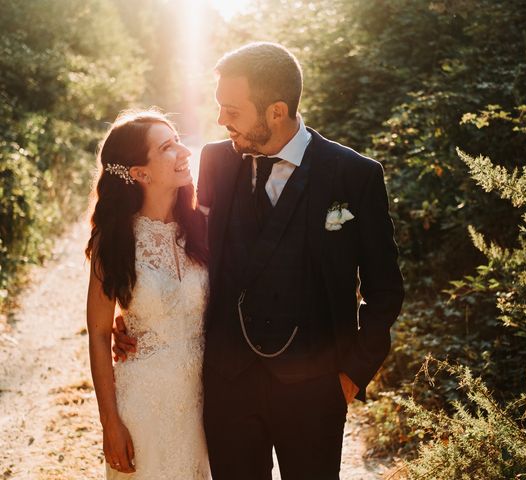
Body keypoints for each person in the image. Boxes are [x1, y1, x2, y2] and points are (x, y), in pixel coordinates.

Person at [115, 42, 404, 479]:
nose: (220, 120)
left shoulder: (354, 175)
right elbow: (178, 243)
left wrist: (352, 373)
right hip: (227, 383)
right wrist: (137, 316)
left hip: (315, 387)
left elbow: (385, 290)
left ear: (276, 111)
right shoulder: (214, 162)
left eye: (232, 109)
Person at [85, 109, 211, 479]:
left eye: (179, 141)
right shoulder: (113, 241)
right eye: (168, 147)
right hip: (143, 404)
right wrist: (110, 422)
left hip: (207, 403)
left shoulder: (204, 225)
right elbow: (98, 332)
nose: (184, 152)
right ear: (139, 173)